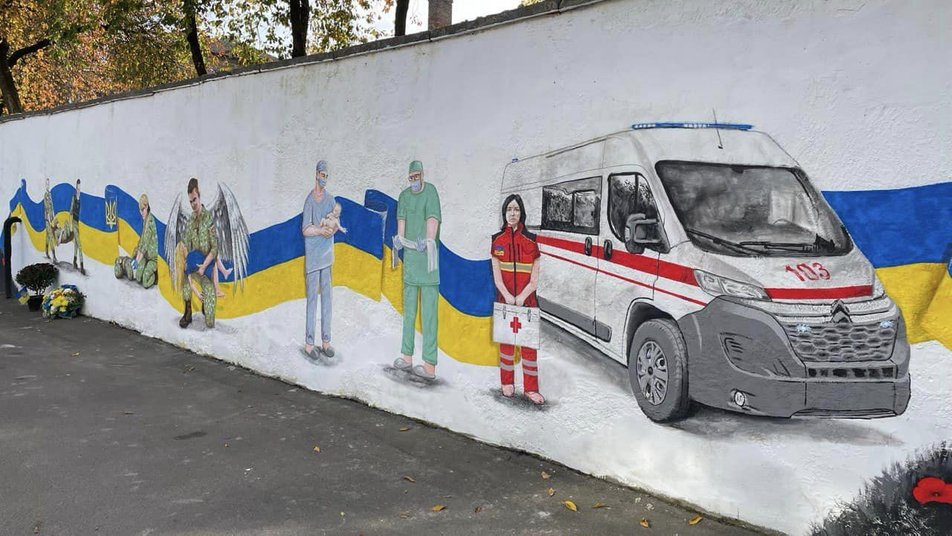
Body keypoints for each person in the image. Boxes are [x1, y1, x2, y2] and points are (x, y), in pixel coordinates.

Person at [490, 194, 544, 405]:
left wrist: (521, 297)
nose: (512, 213)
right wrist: (507, 296)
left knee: (528, 347)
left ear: (522, 213)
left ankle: (531, 389)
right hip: (505, 302)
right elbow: (497, 277)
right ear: (504, 213)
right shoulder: (497, 241)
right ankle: (507, 383)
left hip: (527, 303)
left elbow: (534, 279)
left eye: (516, 209)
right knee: (506, 345)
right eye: (509, 209)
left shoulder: (531, 241)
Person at [392, 160, 441, 380]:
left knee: (429, 316)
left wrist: (428, 240)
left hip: (428, 264)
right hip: (411, 264)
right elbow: (401, 226)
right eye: (411, 178)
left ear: (422, 175)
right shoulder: (403, 197)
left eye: (416, 177)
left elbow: (433, 220)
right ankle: (407, 357)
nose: (414, 181)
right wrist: (399, 241)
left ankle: (429, 365)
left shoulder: (430, 192)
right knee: (409, 313)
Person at [302, 160, 337, 359]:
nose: (324, 179)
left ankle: (326, 342)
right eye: (322, 175)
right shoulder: (309, 201)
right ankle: (309, 344)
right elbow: (305, 229)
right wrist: (320, 230)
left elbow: (335, 224)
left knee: (327, 300)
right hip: (313, 258)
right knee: (312, 300)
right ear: (316, 174)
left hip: (327, 257)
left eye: (326, 176)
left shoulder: (331, 201)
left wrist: (331, 230)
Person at [175, 178, 219, 329]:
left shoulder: (209, 219)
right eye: (190, 201)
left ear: (199, 196)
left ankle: (207, 304)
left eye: (194, 199)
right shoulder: (190, 222)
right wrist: (187, 263)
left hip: (206, 270)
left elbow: (215, 248)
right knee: (185, 278)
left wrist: (204, 266)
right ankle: (188, 311)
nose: (193, 204)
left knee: (210, 322)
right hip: (194, 268)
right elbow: (186, 245)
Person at [114, 194, 158, 288]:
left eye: (143, 209)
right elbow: (142, 242)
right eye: (140, 210)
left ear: (147, 206)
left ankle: (154, 276)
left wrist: (137, 261)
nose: (141, 212)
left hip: (152, 259)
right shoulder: (145, 220)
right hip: (145, 256)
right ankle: (124, 262)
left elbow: (145, 245)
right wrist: (136, 259)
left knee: (145, 281)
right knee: (137, 277)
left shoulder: (150, 221)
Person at [43, 178, 57, 262]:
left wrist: (54, 218)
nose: (48, 185)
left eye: (48, 184)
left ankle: (46, 251)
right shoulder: (45, 195)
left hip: (51, 219)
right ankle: (54, 256)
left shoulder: (50, 195)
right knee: (51, 237)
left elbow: (52, 208)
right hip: (47, 220)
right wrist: (49, 220)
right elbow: (47, 208)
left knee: (48, 237)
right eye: (46, 184)